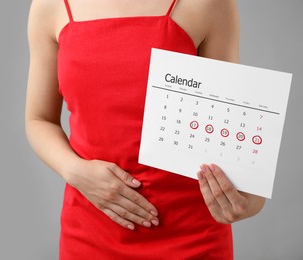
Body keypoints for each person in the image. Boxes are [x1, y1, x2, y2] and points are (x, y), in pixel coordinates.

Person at [25, 0, 266, 258]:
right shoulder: (51, 6)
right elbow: (39, 119)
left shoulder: (208, 4)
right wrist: (73, 169)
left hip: (192, 236)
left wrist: (249, 199)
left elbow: (229, 116)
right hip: (90, 231)